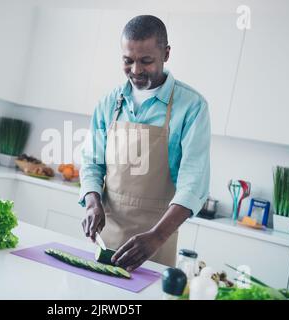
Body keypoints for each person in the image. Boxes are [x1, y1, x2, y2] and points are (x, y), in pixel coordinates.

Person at [80, 15, 210, 271]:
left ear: (166, 53)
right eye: (128, 61)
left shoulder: (192, 107)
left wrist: (157, 236)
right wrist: (92, 202)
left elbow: (194, 184)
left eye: (146, 61)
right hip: (105, 239)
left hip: (156, 244)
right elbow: (92, 162)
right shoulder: (109, 103)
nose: (136, 70)